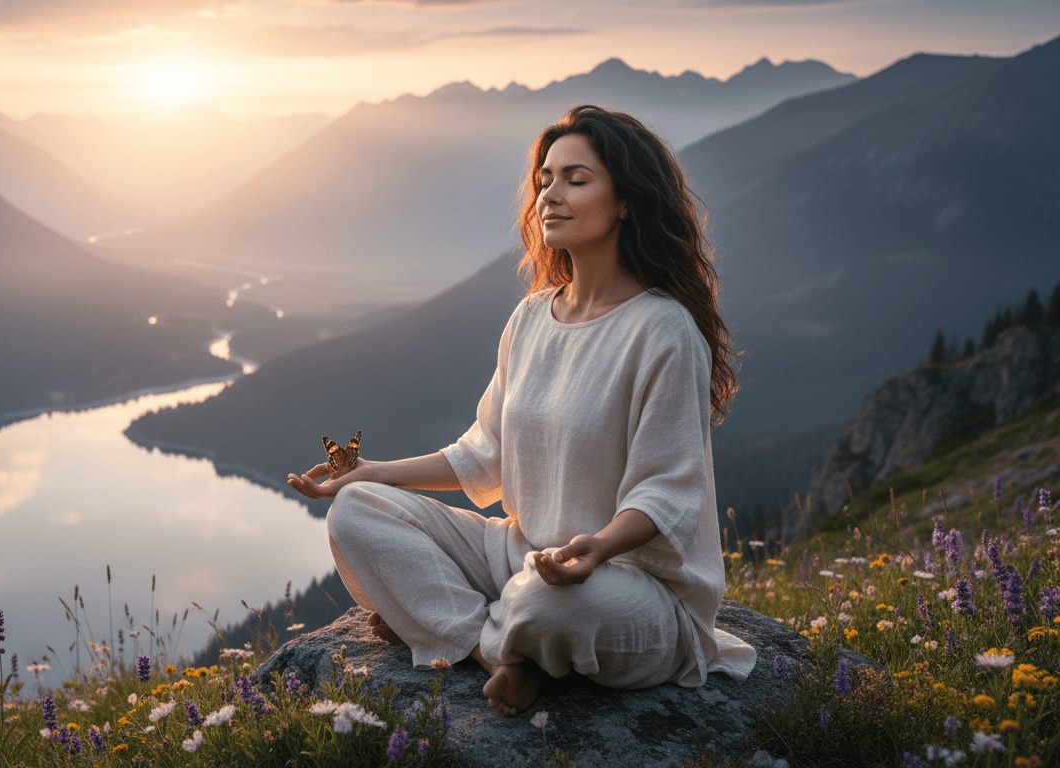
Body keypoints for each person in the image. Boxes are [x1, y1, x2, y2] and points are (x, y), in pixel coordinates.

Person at [287, 105, 757, 716]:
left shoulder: (664, 331)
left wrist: (596, 549)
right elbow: (482, 456)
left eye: (575, 180)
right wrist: (367, 472)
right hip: (519, 553)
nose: (549, 197)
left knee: (546, 602)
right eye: (544, 181)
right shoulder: (533, 317)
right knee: (355, 513)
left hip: (631, 585)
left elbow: (667, 492)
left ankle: (462, 630)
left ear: (626, 202)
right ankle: (499, 655)